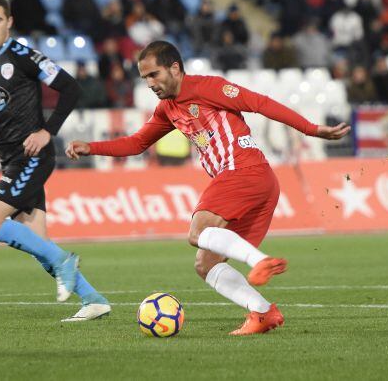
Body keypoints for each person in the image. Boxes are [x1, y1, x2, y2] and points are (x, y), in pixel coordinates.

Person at [65, 41, 350, 335]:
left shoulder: (208, 87)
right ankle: (263, 312)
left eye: (154, 74)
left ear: (175, 68)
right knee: (206, 263)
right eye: (145, 78)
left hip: (243, 170)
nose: (150, 83)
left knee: (198, 232)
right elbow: (137, 143)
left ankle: (260, 260)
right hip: (256, 182)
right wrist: (92, 147)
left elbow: (261, 103)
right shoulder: (167, 109)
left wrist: (311, 129)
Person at [0, 0, 111, 321]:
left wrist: (47, 132)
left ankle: (66, 261)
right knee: (40, 245)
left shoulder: (24, 56)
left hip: (34, 156)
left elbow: (71, 88)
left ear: (9, 22)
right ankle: (93, 299)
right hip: (9, 158)